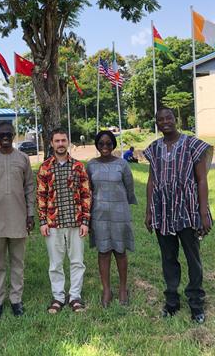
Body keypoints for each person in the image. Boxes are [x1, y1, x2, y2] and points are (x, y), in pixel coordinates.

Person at [144, 107, 213, 324]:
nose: (165, 122)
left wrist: (203, 211)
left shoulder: (192, 144)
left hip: (187, 209)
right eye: (160, 119)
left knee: (193, 258)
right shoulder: (154, 148)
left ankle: (196, 303)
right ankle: (172, 301)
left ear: (176, 120)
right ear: (157, 124)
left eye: (169, 118)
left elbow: (201, 179)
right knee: (168, 257)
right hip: (163, 210)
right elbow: (152, 180)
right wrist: (149, 210)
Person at [0, 122, 34, 321]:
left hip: (19, 217)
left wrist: (31, 214)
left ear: (14, 134)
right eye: (1, 134)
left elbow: (29, 187)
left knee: (18, 262)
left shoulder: (23, 158)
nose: (5, 137)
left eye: (8, 134)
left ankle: (16, 300)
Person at [36, 128, 91, 314]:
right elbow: (41, 196)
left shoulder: (78, 166)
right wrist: (42, 221)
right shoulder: (45, 167)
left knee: (77, 261)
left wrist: (85, 221)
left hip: (76, 221)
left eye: (63, 140)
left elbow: (85, 194)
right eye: (57, 141)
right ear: (51, 143)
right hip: (53, 222)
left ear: (68, 142)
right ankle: (58, 297)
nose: (60, 144)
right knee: (55, 263)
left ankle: (75, 296)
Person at [87, 130, 137, 308]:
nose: (105, 147)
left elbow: (129, 189)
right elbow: (89, 190)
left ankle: (123, 288)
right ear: (97, 145)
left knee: (120, 251)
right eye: (101, 144)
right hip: (99, 214)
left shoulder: (122, 164)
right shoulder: (91, 165)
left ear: (113, 145)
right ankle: (106, 289)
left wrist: (122, 206)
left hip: (119, 213)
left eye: (109, 143)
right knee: (103, 251)